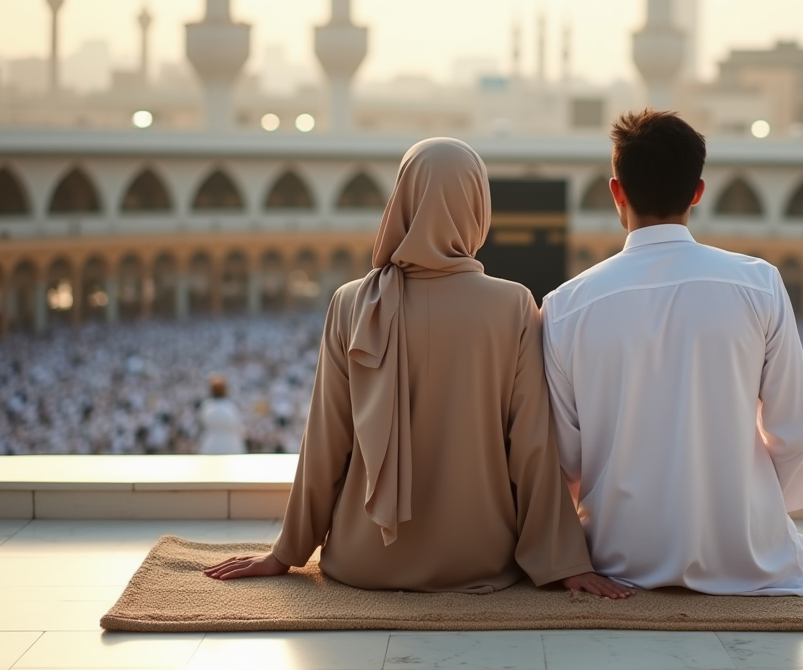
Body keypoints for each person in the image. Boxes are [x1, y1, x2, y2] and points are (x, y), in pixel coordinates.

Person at [206, 138, 630, 599]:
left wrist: (285, 553)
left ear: (402, 200)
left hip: (362, 559)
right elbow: (531, 446)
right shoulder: (511, 305)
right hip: (479, 557)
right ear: (477, 207)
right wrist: (563, 562)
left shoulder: (353, 303)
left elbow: (327, 439)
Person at [541, 109, 803, 595]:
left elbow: (566, 458)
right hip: (746, 548)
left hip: (616, 552)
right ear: (698, 191)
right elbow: (797, 425)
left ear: (617, 192)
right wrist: (752, 508)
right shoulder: (759, 284)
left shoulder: (565, 306)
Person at [196, 375, 246, 455]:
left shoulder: (207, 406)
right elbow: (237, 424)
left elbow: (202, 422)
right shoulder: (230, 406)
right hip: (231, 444)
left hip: (211, 444)